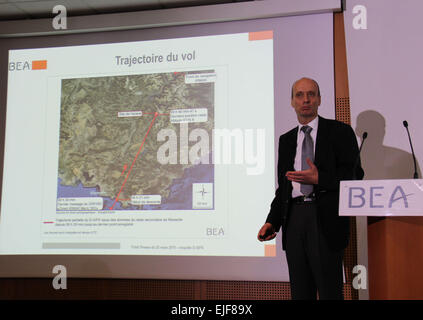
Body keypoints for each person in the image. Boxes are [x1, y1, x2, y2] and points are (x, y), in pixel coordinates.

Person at [258, 77, 364, 300]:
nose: (305, 99)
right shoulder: (286, 140)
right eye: (299, 95)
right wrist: (272, 221)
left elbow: (355, 176)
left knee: (329, 292)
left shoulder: (340, 132)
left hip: (324, 219)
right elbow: (284, 188)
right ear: (292, 102)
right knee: (300, 293)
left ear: (319, 100)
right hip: (294, 220)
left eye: (311, 94)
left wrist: (320, 178)